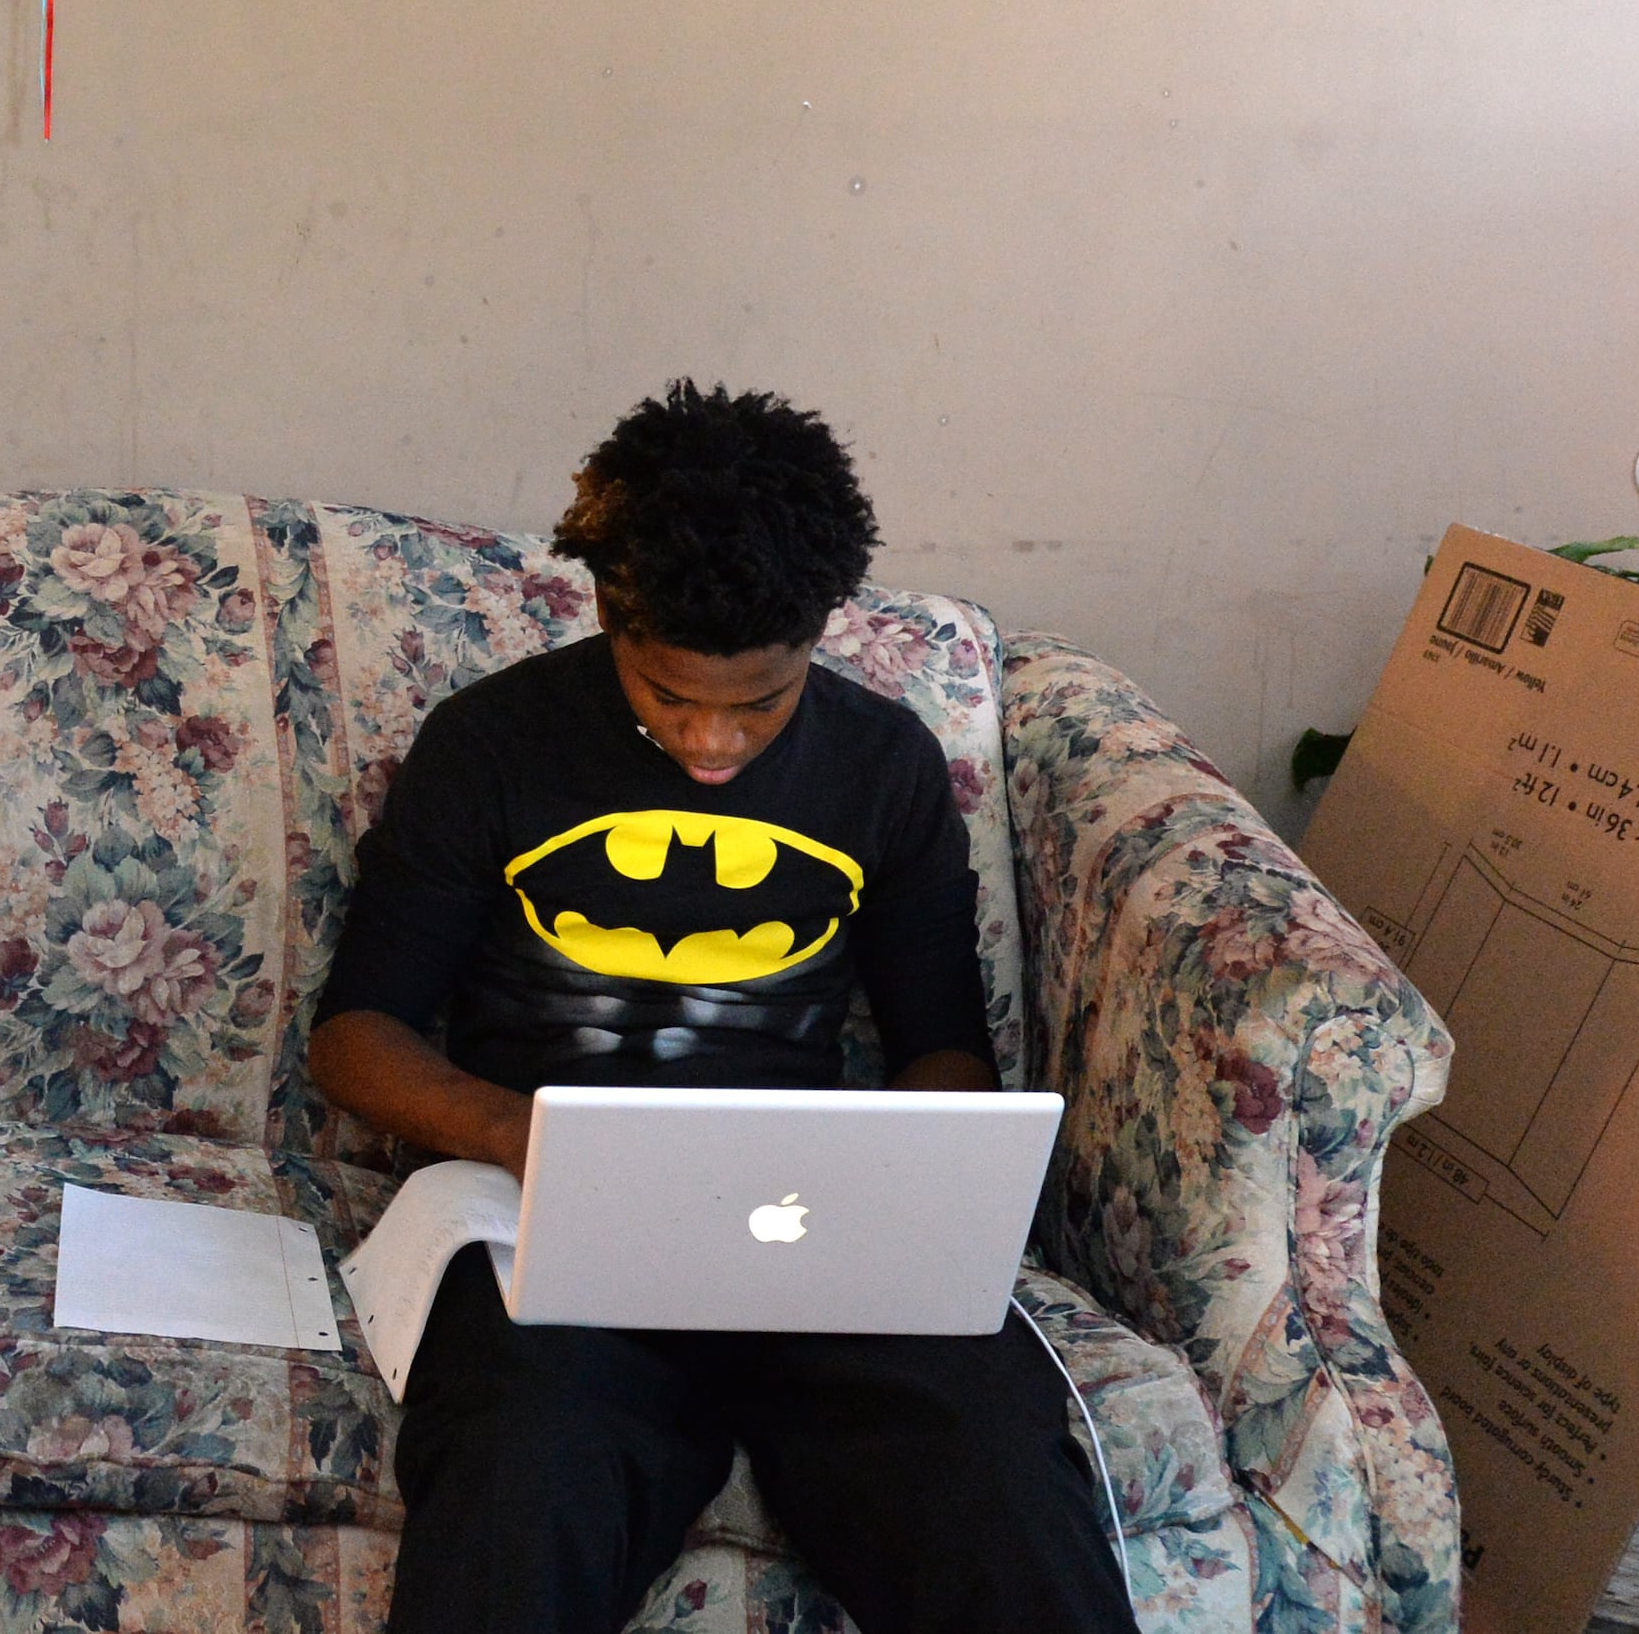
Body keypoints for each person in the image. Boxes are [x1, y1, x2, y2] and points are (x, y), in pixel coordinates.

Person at [307, 384, 1137, 1634]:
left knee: (994, 1469)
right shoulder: (491, 744)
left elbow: (944, 1048)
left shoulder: (883, 765)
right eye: (667, 692)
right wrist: (535, 1140)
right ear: (609, 611)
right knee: (524, 1465)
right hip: (538, 1211)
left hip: (809, 1219)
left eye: (761, 702)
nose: (710, 742)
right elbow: (356, 1035)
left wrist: (907, 1183)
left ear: (818, 632)